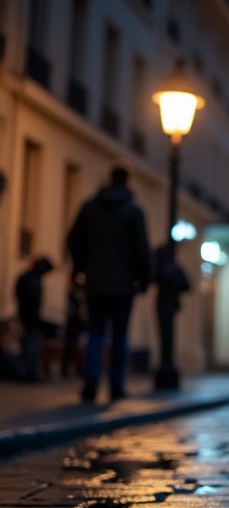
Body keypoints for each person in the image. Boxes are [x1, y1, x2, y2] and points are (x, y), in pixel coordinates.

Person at [68, 165, 151, 402]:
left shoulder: (90, 208)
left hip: (94, 282)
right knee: (120, 335)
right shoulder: (133, 211)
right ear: (127, 182)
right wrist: (143, 280)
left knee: (94, 334)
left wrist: (78, 270)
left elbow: (75, 241)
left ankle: (90, 385)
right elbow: (141, 249)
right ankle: (116, 385)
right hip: (123, 284)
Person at [154, 244, 190, 386]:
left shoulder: (166, 269)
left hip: (165, 305)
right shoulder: (173, 269)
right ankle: (166, 364)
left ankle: (167, 364)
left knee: (167, 336)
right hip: (168, 305)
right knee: (167, 336)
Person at [14, 256, 53, 382]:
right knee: (31, 345)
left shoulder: (28, 278)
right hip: (30, 318)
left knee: (28, 345)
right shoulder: (30, 279)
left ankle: (27, 372)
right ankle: (29, 373)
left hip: (28, 317)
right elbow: (31, 301)